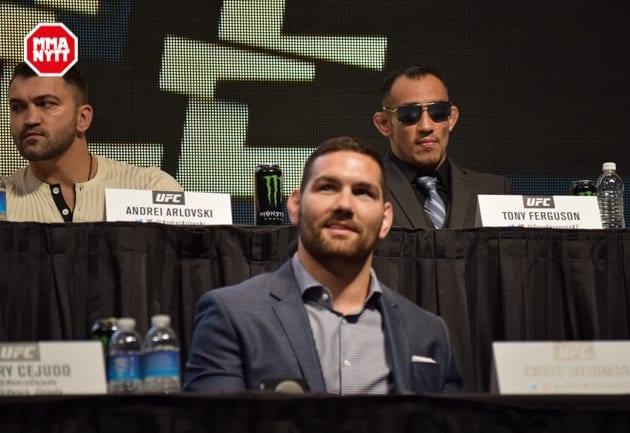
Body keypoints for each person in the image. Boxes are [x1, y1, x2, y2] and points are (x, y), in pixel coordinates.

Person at [184, 136, 463, 395]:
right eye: (327, 187)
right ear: (295, 206)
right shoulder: (232, 316)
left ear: (385, 219)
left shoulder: (429, 333)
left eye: (363, 192)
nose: (344, 204)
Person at [3, 62, 182, 222]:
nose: (30, 119)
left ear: (82, 118)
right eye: (18, 107)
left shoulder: (149, 188)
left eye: (47, 104)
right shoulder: (3, 200)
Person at [372, 65, 511, 229]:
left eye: (438, 111)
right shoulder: (363, 189)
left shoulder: (493, 190)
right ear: (384, 123)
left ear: (451, 118)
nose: (426, 126)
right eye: (409, 114)